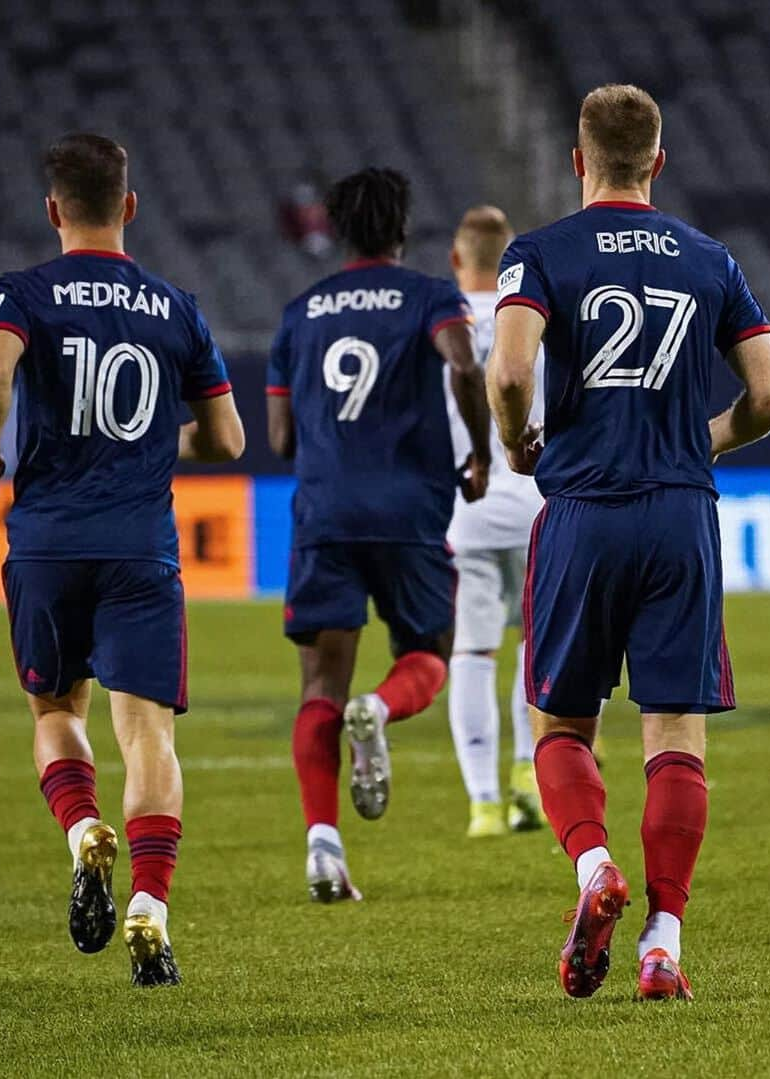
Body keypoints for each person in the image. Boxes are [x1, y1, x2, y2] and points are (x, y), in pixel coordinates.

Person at [487, 85, 770, 1001]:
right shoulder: (710, 258)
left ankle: (593, 872)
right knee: (675, 733)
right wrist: (701, 439)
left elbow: (508, 370)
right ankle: (663, 943)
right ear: (658, 161)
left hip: (583, 507)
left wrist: (514, 441)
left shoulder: (538, 253)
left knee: (562, 722)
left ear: (578, 161)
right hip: (679, 514)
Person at [0, 133, 245, 987]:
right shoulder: (177, 306)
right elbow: (228, 438)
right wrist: (154, 440)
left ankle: (84, 829)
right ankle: (152, 906)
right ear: (129, 206)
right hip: (140, 549)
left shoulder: (21, 295)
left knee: (56, 709)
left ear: (53, 210)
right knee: (148, 732)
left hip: (48, 542)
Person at [267, 167, 492, 902]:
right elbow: (463, 361)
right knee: (428, 653)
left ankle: (323, 847)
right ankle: (383, 708)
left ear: (336, 229)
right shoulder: (429, 297)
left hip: (326, 512)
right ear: (402, 228)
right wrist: (480, 451)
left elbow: (278, 440)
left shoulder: (300, 312)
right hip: (408, 509)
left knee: (319, 683)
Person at [443, 206, 547, 838]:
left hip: (469, 509)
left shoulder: (441, 327)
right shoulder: (532, 318)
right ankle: (526, 775)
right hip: (538, 504)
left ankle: (483, 804)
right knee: (536, 647)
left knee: (473, 652)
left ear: (456, 260)